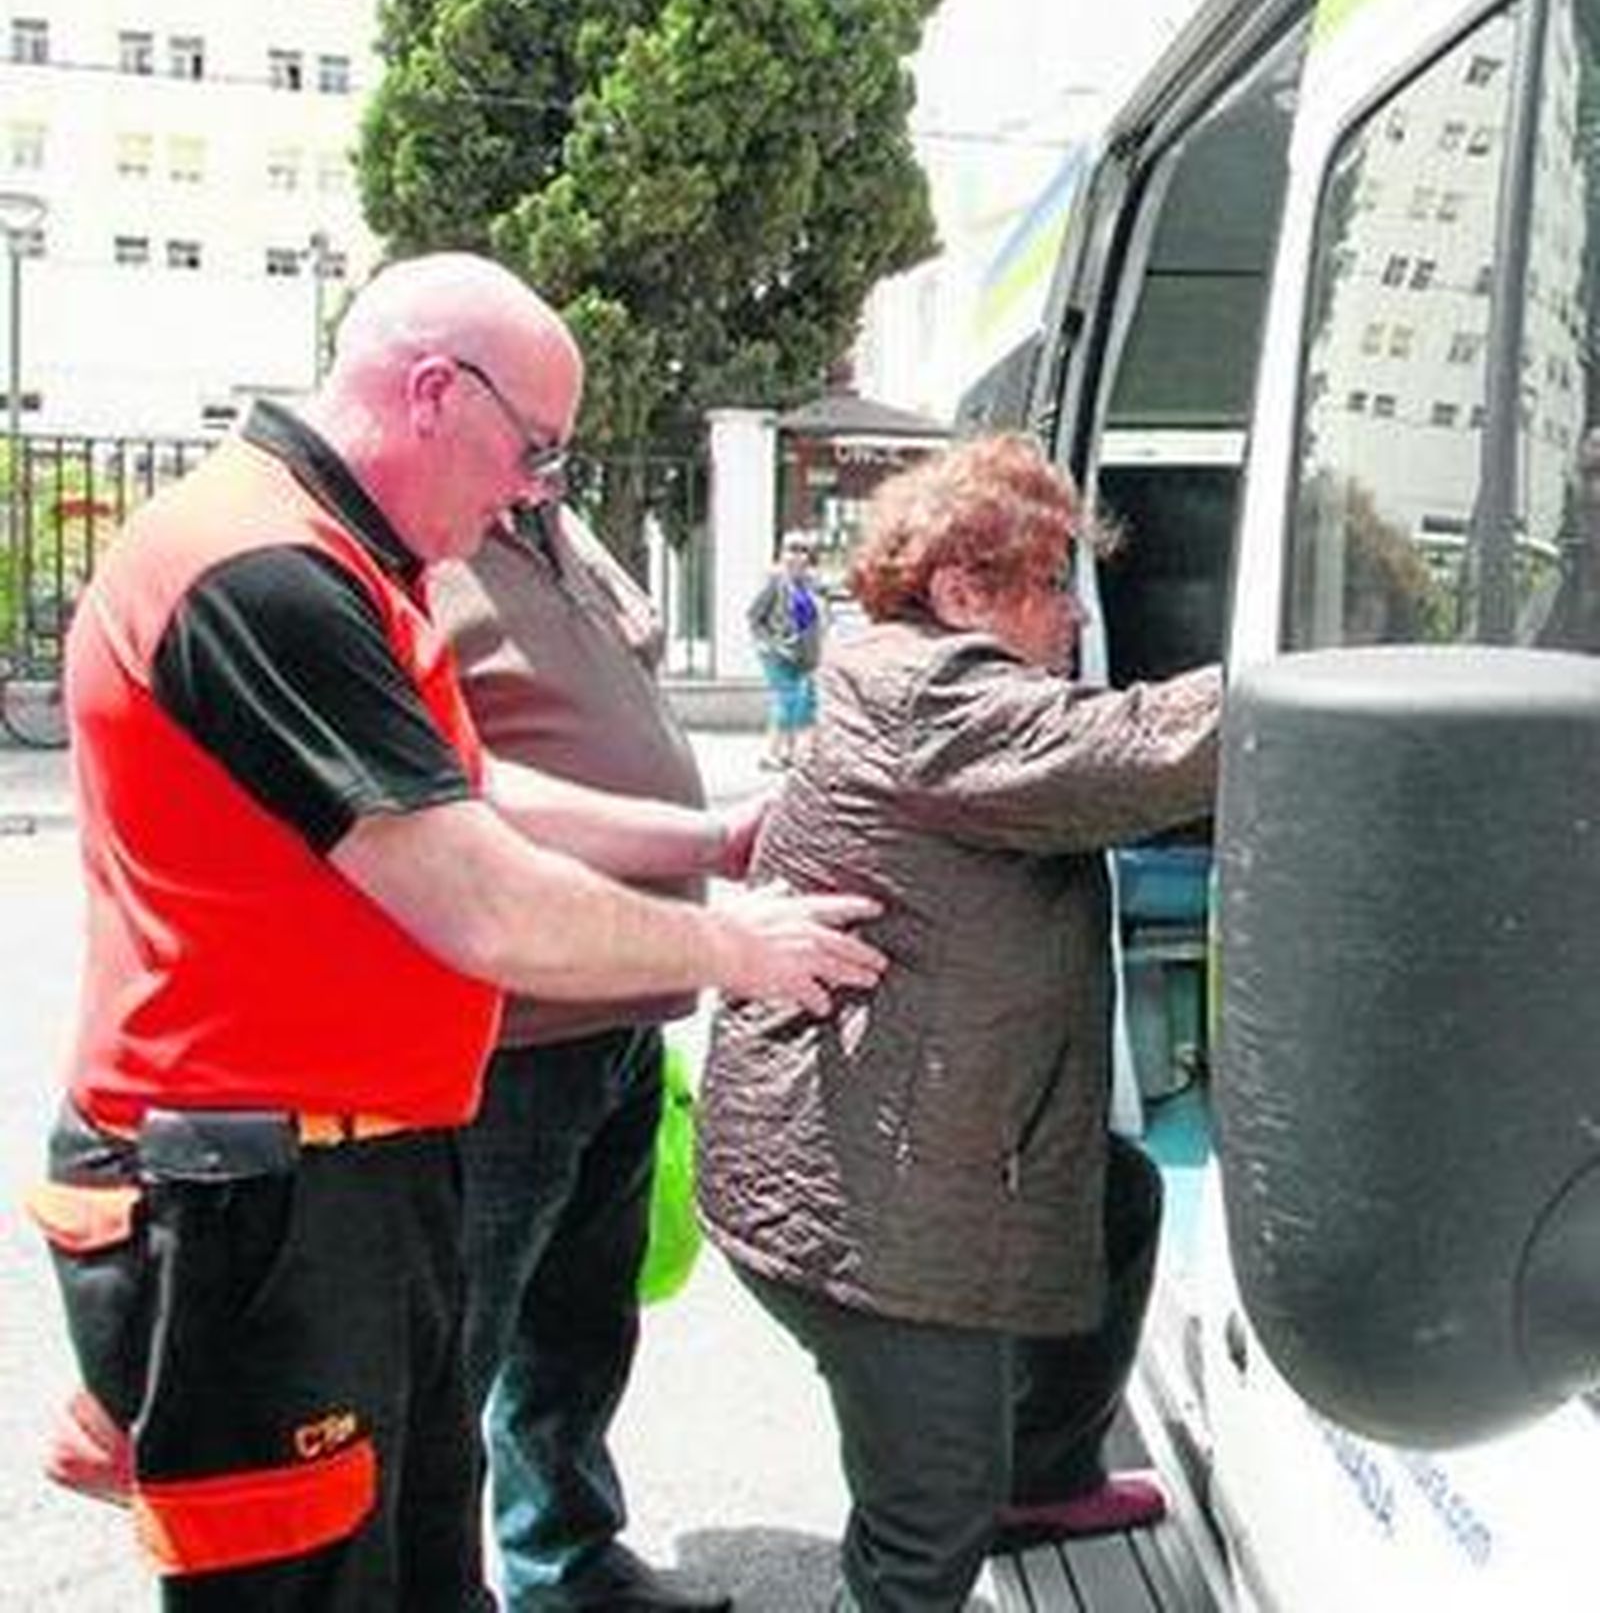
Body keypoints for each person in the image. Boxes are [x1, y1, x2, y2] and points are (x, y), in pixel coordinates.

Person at [29, 252, 884, 1613]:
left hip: (350, 1174)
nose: (534, 489)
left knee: (421, 1557)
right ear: (434, 390)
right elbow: (474, 890)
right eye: (533, 447)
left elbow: (461, 786)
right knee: (305, 1582)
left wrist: (702, 839)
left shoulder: (348, 558)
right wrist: (738, 944)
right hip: (255, 1202)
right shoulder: (263, 572)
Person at [697, 433, 1222, 1613]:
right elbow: (1133, 751)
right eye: (1050, 588)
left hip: (897, 1136)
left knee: (1116, 1198)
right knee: (928, 1501)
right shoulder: (933, 694)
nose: (1074, 619)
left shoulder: (916, 680)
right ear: (959, 592)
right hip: (866, 1201)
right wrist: (1320, 683)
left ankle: (1040, 1480)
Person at [431, 504, 733, 1613]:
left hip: (616, 1014)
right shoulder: (419, 534)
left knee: (582, 1317)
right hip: (513, 1032)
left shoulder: (543, 524)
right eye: (531, 429)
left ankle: (564, 1559)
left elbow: (635, 638)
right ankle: (431, 1578)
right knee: (461, 1338)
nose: (547, 451)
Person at [746, 530, 824, 768]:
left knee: (805, 704)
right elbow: (754, 616)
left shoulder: (810, 583)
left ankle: (793, 752)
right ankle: (770, 754)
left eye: (802, 550)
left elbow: (816, 619)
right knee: (786, 700)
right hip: (777, 654)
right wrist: (771, 644)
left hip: (804, 655)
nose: (797, 556)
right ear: (781, 553)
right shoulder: (775, 581)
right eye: (791, 549)